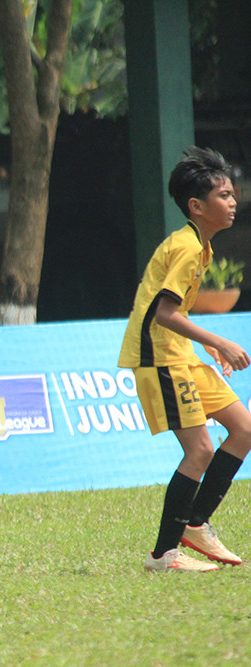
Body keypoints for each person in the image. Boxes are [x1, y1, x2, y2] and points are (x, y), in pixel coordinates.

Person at [119, 146, 251, 573]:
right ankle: (163, 556)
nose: (232, 202)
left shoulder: (199, 246)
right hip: (159, 358)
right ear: (196, 206)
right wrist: (221, 342)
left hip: (181, 354)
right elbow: (163, 313)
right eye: (223, 195)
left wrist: (204, 345)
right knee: (199, 450)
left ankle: (194, 525)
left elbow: (171, 309)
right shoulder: (187, 248)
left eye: (232, 194)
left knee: (244, 429)